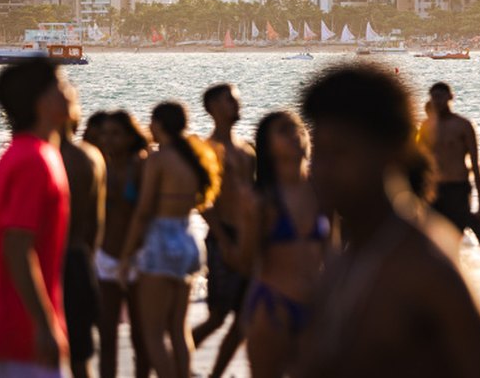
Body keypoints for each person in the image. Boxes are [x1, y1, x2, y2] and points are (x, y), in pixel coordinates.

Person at [297, 64, 480, 377]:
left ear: (390, 152)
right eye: (319, 153)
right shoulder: (350, 258)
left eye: (340, 152)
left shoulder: (423, 266)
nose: (322, 170)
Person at [0, 59, 73, 378]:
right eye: (62, 84)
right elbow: (17, 245)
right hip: (27, 334)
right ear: (42, 101)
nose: (71, 91)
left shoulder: (18, 152)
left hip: (12, 325)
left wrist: (8, 288)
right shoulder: (35, 160)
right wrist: (43, 324)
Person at [219, 111, 328, 378]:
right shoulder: (262, 198)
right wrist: (242, 222)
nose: (295, 135)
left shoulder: (324, 192)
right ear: (267, 146)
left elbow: (334, 253)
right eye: (284, 130)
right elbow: (245, 263)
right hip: (272, 306)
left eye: (299, 129)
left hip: (317, 308)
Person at [118, 102, 218, 378]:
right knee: (178, 329)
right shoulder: (193, 159)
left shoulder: (159, 160)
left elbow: (143, 211)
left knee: (152, 334)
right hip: (188, 240)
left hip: (161, 241)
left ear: (159, 125)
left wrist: (126, 255)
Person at [192, 85, 255, 378]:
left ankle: (215, 374)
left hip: (249, 238)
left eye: (236, 98)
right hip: (224, 237)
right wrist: (223, 239)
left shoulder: (246, 150)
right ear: (213, 107)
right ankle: (173, 362)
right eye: (229, 99)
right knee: (218, 317)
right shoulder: (208, 151)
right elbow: (203, 202)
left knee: (245, 320)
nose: (236, 103)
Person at [96, 111, 151, 378]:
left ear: (130, 137)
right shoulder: (99, 165)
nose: (108, 139)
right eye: (105, 133)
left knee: (140, 334)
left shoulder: (139, 165)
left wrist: (132, 254)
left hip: (137, 258)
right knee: (106, 333)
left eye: (116, 133)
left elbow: (147, 214)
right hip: (106, 257)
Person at [61, 94, 106, 378]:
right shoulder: (90, 159)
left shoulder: (51, 157)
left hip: (60, 259)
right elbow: (95, 227)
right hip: (82, 259)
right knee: (81, 352)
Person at [420, 82, 480, 244]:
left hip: (458, 187)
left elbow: (475, 163)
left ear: (450, 97)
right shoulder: (426, 126)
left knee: (455, 236)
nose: (437, 101)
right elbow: (420, 163)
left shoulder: (463, 125)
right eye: (434, 97)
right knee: (433, 239)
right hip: (433, 189)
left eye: (441, 97)